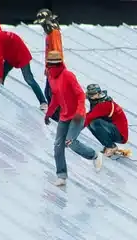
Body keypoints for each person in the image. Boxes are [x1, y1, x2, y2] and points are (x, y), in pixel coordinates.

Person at [43, 51, 104, 186]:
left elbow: (80, 95)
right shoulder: (51, 78)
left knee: (70, 142)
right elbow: (55, 97)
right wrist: (48, 113)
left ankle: (94, 155)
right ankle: (61, 175)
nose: (51, 68)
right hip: (64, 116)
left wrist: (79, 111)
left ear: (58, 64)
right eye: (49, 65)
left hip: (76, 116)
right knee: (58, 145)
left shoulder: (68, 75)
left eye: (53, 65)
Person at [0, 19, 48, 110]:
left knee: (28, 78)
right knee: (2, 74)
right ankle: (0, 95)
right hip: (11, 54)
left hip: (20, 54)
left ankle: (43, 102)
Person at [83, 85, 130, 156]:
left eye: (92, 94)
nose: (90, 96)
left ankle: (111, 146)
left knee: (94, 122)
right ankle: (108, 144)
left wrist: (72, 131)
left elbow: (88, 118)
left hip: (120, 134)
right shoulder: (96, 98)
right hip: (111, 127)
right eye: (89, 94)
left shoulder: (104, 104)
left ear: (98, 93)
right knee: (90, 123)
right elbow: (81, 96)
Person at [35, 8, 62, 122]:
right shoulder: (50, 33)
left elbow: (56, 50)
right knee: (49, 92)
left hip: (55, 67)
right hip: (51, 66)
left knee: (51, 93)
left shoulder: (54, 33)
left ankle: (58, 117)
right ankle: (56, 116)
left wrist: (52, 67)